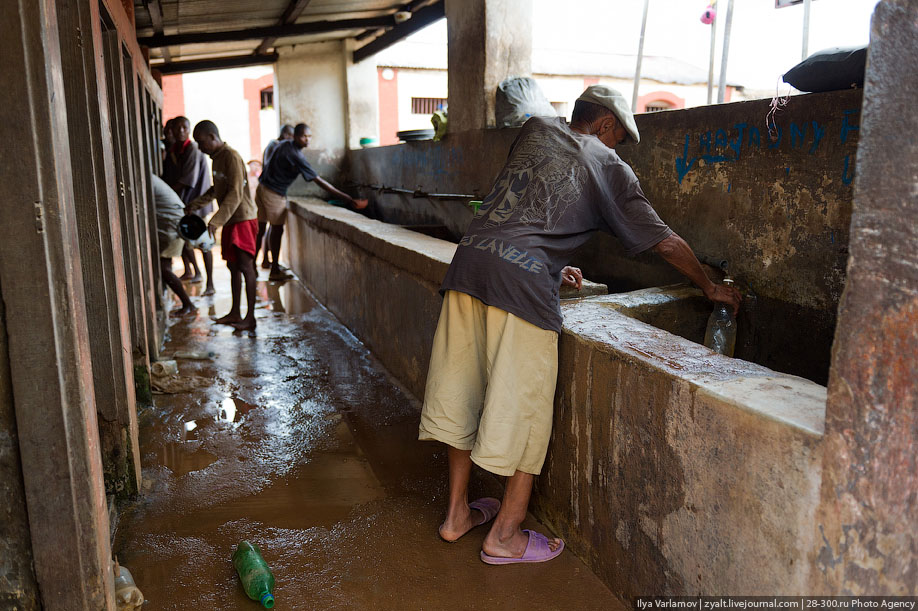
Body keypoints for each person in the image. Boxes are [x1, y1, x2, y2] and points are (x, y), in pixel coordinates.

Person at [418, 85, 742, 565]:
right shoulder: (609, 165)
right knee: (525, 410)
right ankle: (504, 536)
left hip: (469, 264)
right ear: (607, 125)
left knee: (460, 394)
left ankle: (456, 517)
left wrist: (552, 262)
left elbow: (529, 206)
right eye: (617, 139)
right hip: (518, 288)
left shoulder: (535, 129)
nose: (616, 149)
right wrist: (710, 287)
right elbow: (663, 241)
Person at [254, 122, 368, 282]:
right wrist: (348, 199)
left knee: (261, 228)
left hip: (263, 187)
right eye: (303, 136)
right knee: (277, 228)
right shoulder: (296, 154)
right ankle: (274, 269)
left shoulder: (285, 145)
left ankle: (253, 266)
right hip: (273, 192)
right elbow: (319, 181)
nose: (307, 140)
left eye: (309, 136)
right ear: (294, 136)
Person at [187, 120, 260, 332]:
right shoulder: (216, 159)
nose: (200, 148)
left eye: (202, 143)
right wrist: (196, 204)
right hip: (230, 219)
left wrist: (216, 221)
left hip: (243, 219)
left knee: (246, 267)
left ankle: (250, 318)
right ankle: (235, 312)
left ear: (212, 137)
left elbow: (235, 193)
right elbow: (217, 189)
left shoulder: (232, 156)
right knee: (233, 266)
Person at [162, 115, 216, 295]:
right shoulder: (176, 149)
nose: (180, 131)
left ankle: (210, 283)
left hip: (196, 202)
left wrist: (167, 194)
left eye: (184, 128)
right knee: (184, 239)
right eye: (176, 128)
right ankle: (194, 271)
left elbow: (187, 180)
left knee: (203, 243)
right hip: (185, 203)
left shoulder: (192, 149)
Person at [151, 174, 196, 316]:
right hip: (174, 222)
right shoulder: (150, 178)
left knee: (164, 268)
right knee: (165, 266)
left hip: (173, 224)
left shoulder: (146, 179)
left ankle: (188, 304)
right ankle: (187, 303)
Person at [257, 124, 294, 270]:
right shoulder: (276, 146)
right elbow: (271, 166)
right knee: (274, 228)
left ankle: (264, 261)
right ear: (285, 135)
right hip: (271, 190)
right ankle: (273, 266)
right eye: (291, 137)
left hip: (264, 188)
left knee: (264, 228)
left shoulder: (272, 145)